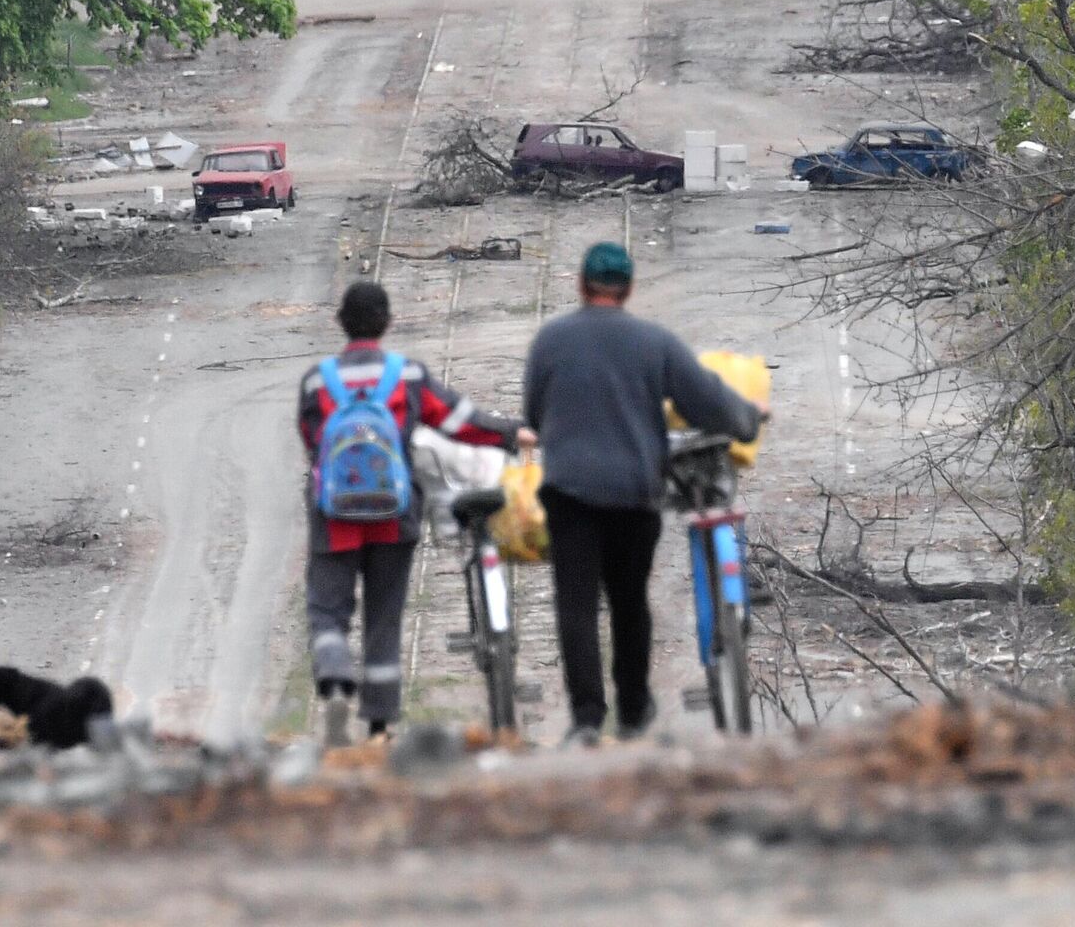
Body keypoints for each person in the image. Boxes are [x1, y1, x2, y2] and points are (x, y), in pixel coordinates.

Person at [523, 242, 764, 745]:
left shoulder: (551, 340)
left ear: (581, 285)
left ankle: (587, 719)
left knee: (577, 603)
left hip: (569, 492)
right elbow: (706, 401)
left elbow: (533, 413)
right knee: (630, 600)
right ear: (629, 289)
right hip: (634, 493)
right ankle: (633, 711)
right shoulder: (654, 342)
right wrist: (747, 420)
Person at [298, 281, 531, 745]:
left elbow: (313, 444)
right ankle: (380, 726)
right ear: (387, 323)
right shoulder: (407, 377)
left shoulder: (317, 381)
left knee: (328, 607)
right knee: (384, 617)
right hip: (393, 516)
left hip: (336, 517)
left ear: (340, 322)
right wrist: (510, 433)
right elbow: (459, 421)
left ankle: (336, 680)